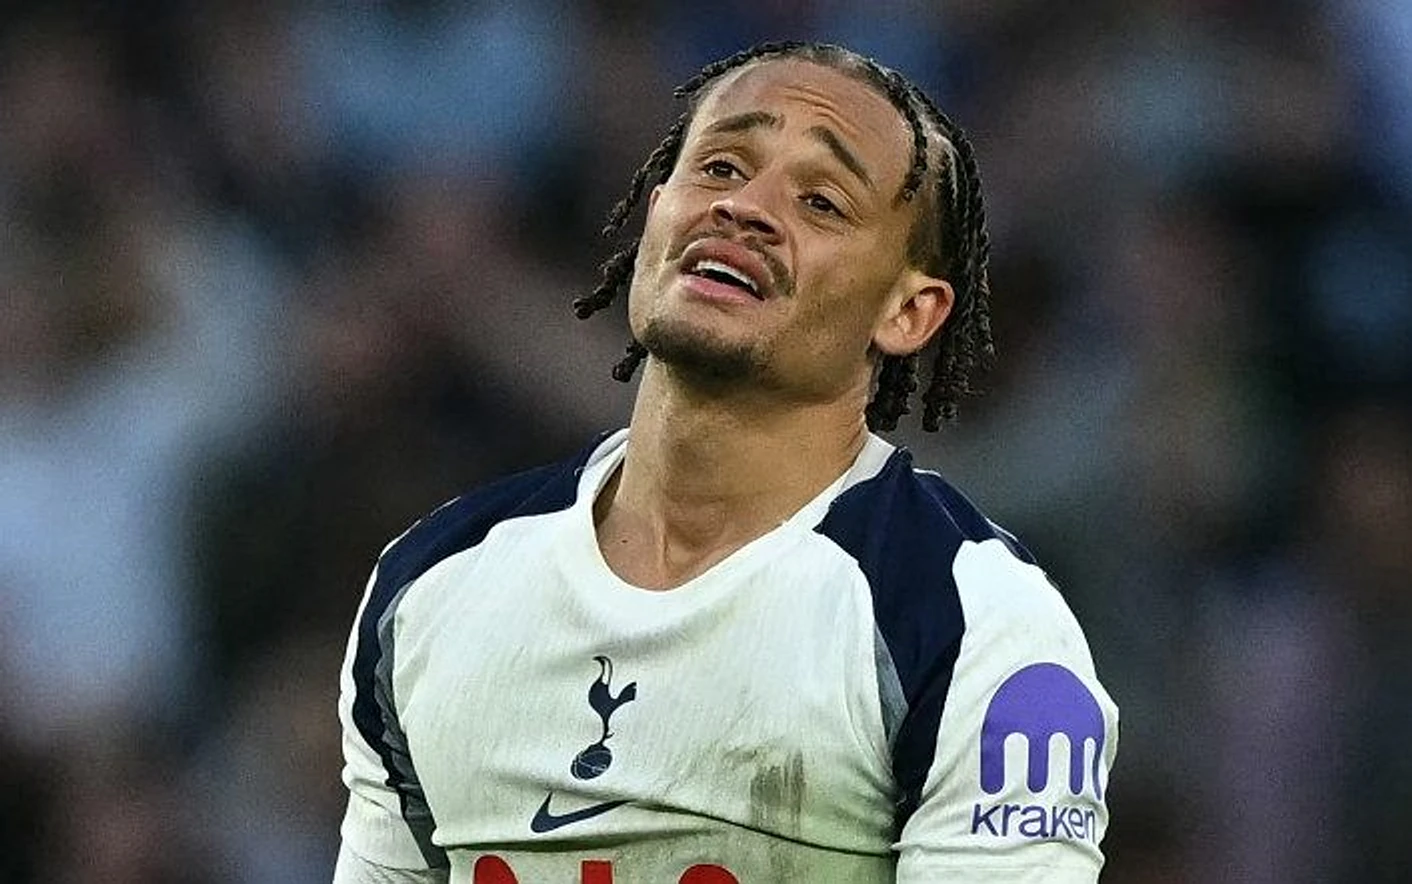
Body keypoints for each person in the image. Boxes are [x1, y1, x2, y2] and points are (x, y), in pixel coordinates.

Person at [333, 41, 1118, 884]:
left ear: (909, 311)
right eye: (719, 168)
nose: (745, 207)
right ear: (655, 214)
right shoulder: (433, 584)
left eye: (821, 201)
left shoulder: (975, 627)